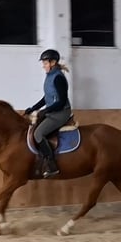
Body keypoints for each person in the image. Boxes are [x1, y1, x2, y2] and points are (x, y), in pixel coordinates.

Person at [24, 49, 72, 178]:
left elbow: (61, 102)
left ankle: (52, 165)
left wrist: (46, 111)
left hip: (61, 112)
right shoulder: (50, 76)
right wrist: (33, 108)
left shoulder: (58, 78)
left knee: (38, 133)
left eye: (45, 63)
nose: (43, 65)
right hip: (53, 111)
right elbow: (47, 98)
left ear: (53, 62)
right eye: (44, 63)